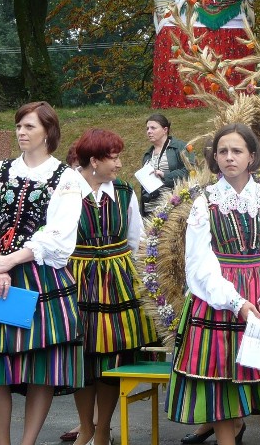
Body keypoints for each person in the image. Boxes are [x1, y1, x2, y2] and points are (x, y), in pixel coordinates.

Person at [166, 124, 260, 445]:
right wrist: (236, 302)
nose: (229, 157)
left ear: (251, 157)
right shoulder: (205, 203)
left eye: (237, 151)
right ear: (215, 158)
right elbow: (199, 263)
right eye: (223, 152)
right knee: (222, 385)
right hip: (220, 298)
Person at [0, 101, 84, 445]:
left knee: (38, 365)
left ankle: (27, 442)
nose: (22, 132)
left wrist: (11, 262)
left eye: (29, 127)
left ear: (48, 132)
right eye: (19, 126)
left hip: (39, 276)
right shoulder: (1, 171)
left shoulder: (66, 179)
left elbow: (59, 232)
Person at [68, 128, 159, 445]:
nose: (120, 164)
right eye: (114, 157)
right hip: (77, 278)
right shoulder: (65, 191)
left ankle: (104, 428)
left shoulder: (123, 192)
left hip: (117, 282)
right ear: (94, 161)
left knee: (111, 357)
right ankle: (86, 427)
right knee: (81, 355)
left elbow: (136, 241)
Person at [141, 113, 191, 215]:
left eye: (153, 128)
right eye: (147, 129)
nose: (149, 131)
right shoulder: (147, 155)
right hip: (150, 210)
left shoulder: (179, 147)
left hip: (173, 207)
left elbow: (190, 171)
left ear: (165, 130)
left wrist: (165, 175)